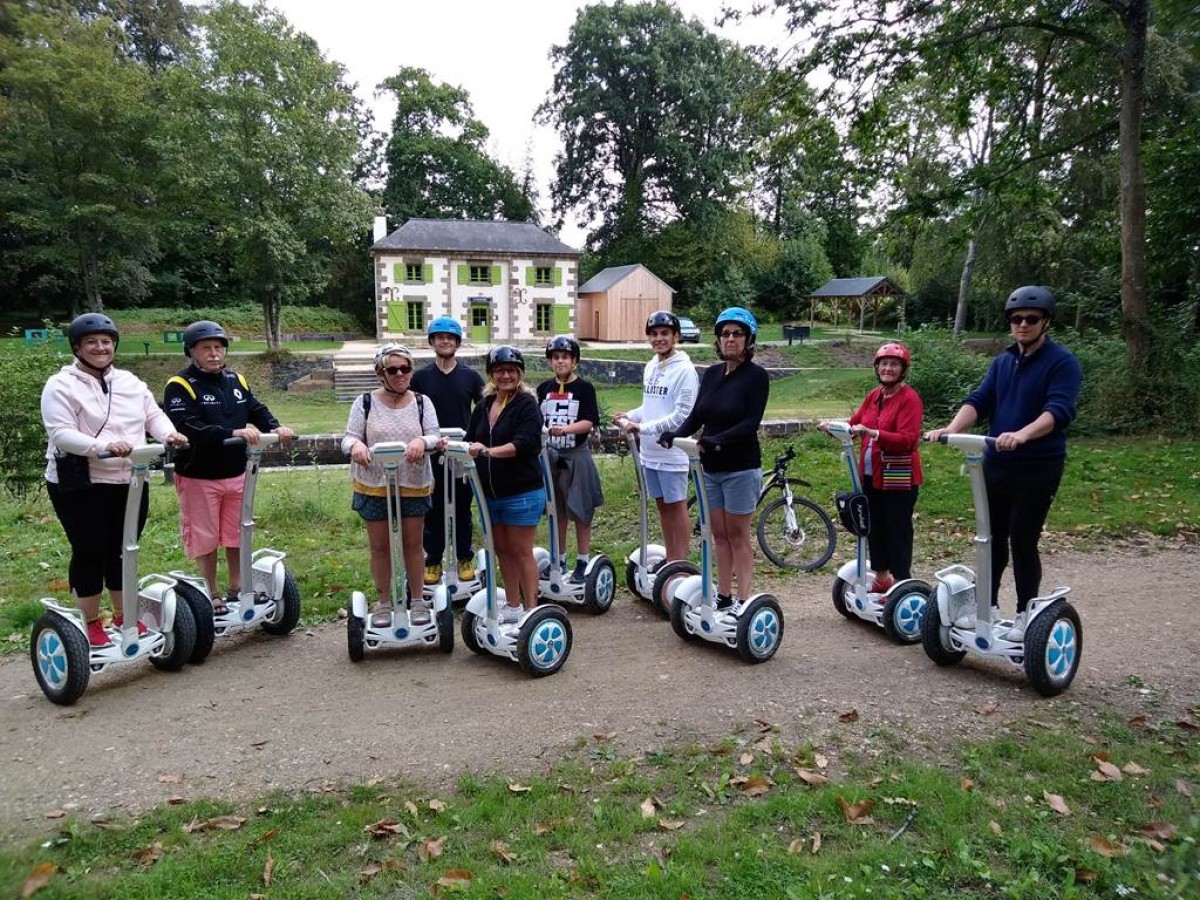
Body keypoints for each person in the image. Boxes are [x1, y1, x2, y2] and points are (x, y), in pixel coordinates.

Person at [925, 286, 1082, 640]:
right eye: (1016, 319)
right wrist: (950, 428)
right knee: (990, 539)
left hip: (1037, 465)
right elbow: (980, 400)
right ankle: (988, 607)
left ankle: (1027, 613)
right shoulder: (1003, 362)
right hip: (997, 462)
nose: (1022, 325)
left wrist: (1024, 434)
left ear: (1045, 322)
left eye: (1031, 319)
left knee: (1023, 541)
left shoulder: (1062, 362)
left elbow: (1059, 410)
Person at [42, 313, 188, 648]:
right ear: (77, 347)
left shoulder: (130, 382)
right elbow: (61, 433)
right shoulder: (61, 385)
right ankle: (92, 623)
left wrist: (170, 434)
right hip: (82, 481)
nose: (100, 347)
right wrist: (102, 447)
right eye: (91, 342)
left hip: (131, 477)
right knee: (90, 550)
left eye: (106, 341)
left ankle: (124, 615)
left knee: (124, 550)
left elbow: (152, 414)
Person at [164, 320, 295, 614]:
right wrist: (230, 433)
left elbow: (256, 409)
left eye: (218, 348)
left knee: (237, 532)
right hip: (199, 474)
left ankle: (238, 585)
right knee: (205, 535)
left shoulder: (237, 381)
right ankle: (210, 590)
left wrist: (276, 427)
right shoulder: (180, 385)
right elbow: (188, 426)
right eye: (206, 348)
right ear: (192, 352)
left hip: (236, 471)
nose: (213, 354)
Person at [658, 308, 769, 609]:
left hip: (741, 468)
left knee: (737, 533)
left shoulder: (756, 377)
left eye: (737, 334)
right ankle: (723, 595)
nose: (730, 339)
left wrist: (713, 441)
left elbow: (750, 423)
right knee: (718, 533)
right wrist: (674, 433)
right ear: (718, 340)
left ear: (748, 339)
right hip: (710, 467)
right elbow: (697, 414)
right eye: (725, 334)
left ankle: (744, 598)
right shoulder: (711, 374)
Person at [342, 344, 441, 627]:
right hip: (374, 482)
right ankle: (384, 602)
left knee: (413, 543)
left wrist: (422, 442)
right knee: (380, 546)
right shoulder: (364, 403)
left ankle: (419, 600)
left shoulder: (422, 402)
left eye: (405, 368)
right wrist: (357, 446)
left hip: (412, 481)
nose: (400, 374)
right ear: (381, 373)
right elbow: (347, 438)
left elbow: (434, 436)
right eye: (393, 369)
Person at [821, 342, 924, 593]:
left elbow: (908, 439)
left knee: (897, 530)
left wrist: (874, 433)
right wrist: (833, 426)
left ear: (903, 370)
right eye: (884, 364)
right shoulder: (874, 396)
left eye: (894, 364)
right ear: (877, 368)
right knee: (873, 526)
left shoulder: (909, 399)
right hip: (870, 475)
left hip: (899, 475)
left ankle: (901, 584)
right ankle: (881, 578)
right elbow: (855, 423)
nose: (888, 368)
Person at [453, 346, 544, 624]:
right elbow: (471, 438)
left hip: (522, 492)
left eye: (511, 370)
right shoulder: (484, 404)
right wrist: (456, 447)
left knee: (521, 550)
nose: (506, 375)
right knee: (502, 549)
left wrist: (489, 452)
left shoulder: (527, 404)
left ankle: (531, 610)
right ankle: (514, 605)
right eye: (500, 371)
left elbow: (527, 443)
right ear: (491, 374)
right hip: (490, 494)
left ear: (520, 373)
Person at [612, 311, 699, 564]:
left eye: (664, 334)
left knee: (677, 506)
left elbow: (681, 415)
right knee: (662, 506)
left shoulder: (685, 370)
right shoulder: (651, 365)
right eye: (654, 334)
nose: (659, 339)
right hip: (649, 452)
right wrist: (629, 415)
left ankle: (680, 562)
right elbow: (649, 406)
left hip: (672, 451)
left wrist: (642, 428)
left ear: (675, 336)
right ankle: (670, 558)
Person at [411, 316, 484, 586]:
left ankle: (465, 558)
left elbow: (484, 411)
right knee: (434, 510)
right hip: (431, 453)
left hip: (461, 453)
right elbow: (411, 411)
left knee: (463, 507)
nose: (445, 341)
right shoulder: (420, 378)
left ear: (457, 343)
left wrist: (475, 441)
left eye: (450, 338)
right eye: (440, 337)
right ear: (432, 341)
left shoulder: (470, 377)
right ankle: (433, 561)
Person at [537, 335, 605, 584]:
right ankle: (560, 558)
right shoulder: (544, 388)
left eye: (565, 357)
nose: (560, 362)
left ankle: (583, 560)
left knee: (581, 509)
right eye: (555, 358)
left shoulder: (585, 388)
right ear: (550, 362)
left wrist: (566, 430)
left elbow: (590, 420)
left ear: (574, 360)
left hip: (577, 455)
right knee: (557, 511)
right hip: (551, 457)